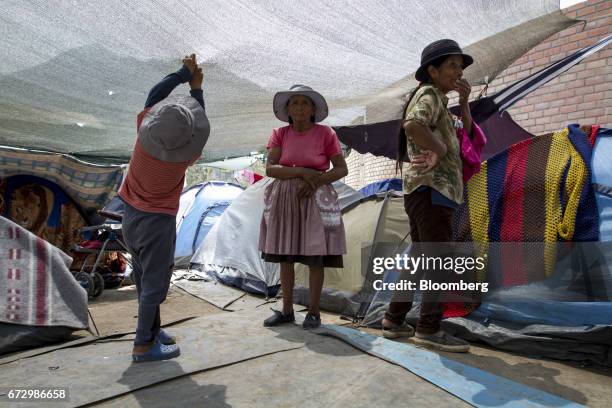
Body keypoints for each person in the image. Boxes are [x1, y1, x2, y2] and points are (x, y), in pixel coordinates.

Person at [381, 39, 474, 352]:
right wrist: (440, 148)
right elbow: (413, 124)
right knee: (439, 260)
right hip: (432, 190)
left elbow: (470, 136)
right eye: (452, 65)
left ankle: (394, 320)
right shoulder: (430, 93)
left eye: (460, 67)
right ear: (432, 71)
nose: (458, 71)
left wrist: (463, 103)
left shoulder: (441, 102)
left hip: (429, 191)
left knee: (421, 257)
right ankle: (429, 328)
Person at [119, 54, 210, 362]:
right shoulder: (183, 158)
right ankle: (143, 345)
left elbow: (155, 95)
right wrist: (198, 91)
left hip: (130, 217)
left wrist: (183, 74)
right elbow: (200, 127)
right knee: (155, 284)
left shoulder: (143, 140)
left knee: (145, 278)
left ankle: (153, 331)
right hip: (157, 223)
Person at [259, 85, 348, 329]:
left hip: (316, 198)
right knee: (285, 256)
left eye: (304, 103)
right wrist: (302, 172)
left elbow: (341, 168)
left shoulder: (326, 134)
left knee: (315, 256)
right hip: (286, 198)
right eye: (294, 102)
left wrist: (316, 180)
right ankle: (287, 311)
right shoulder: (280, 134)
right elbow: (271, 168)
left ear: (313, 109)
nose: (299, 107)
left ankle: (314, 312)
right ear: (287, 109)